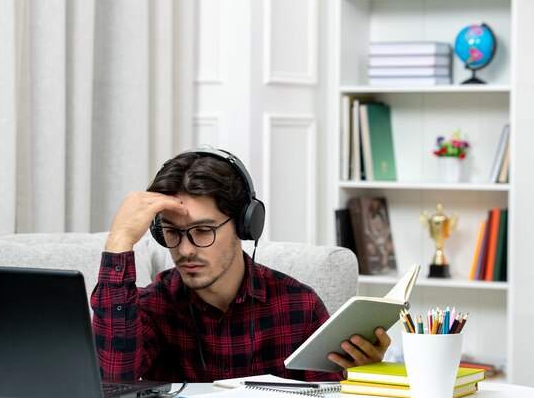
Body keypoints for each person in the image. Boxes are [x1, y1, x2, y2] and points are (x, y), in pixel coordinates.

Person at [91, 148, 390, 382]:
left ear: (245, 226)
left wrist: (366, 375)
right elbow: (114, 380)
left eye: (203, 231)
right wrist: (119, 241)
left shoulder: (300, 306)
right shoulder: (152, 307)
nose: (185, 249)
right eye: (172, 232)